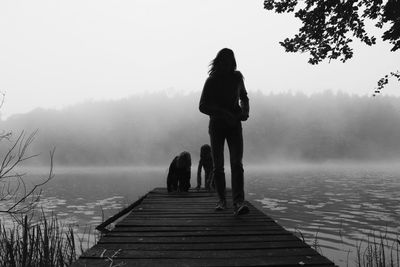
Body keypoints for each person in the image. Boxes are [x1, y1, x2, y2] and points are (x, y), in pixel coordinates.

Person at [199, 48, 250, 216]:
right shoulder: (211, 81)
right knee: (218, 167)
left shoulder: (237, 77)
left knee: (237, 164)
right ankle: (221, 201)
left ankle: (238, 202)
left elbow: (244, 97)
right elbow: (202, 106)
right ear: (219, 62)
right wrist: (222, 113)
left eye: (230, 61)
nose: (228, 65)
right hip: (217, 127)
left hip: (235, 126)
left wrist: (245, 112)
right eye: (225, 61)